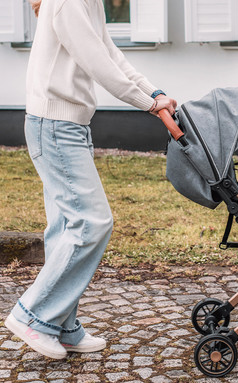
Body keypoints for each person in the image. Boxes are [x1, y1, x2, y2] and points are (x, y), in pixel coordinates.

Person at [4, 0, 177, 360]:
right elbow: (98, 64)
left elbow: (109, 52)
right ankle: (32, 315)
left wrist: (155, 91)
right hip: (54, 126)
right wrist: (146, 102)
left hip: (67, 125)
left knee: (66, 227)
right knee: (92, 222)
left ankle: (62, 327)